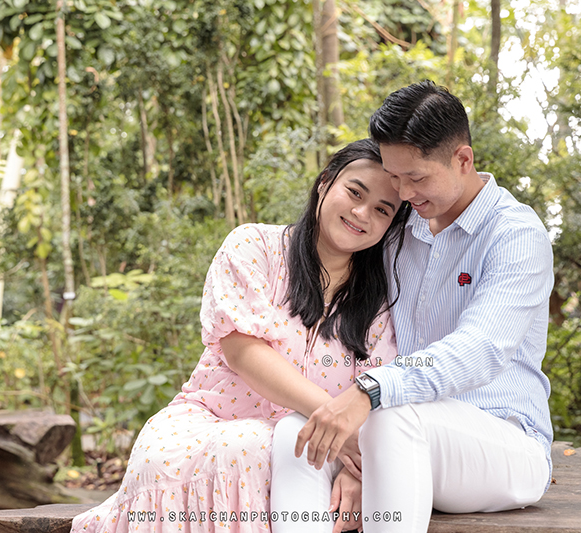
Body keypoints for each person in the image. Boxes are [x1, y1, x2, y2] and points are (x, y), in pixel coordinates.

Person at [69, 139, 412, 533]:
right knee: (199, 452)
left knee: (271, 448)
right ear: (324, 183)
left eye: (382, 210)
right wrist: (337, 422)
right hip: (211, 420)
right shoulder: (254, 246)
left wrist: (358, 471)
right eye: (355, 192)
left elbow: (379, 390)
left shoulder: (382, 301)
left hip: (314, 446)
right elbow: (241, 350)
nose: (361, 213)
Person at [273, 80, 554, 533]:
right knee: (297, 432)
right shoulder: (402, 233)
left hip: (504, 446)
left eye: (416, 177)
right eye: (395, 176)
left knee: (393, 419)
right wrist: (361, 461)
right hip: (401, 436)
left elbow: (479, 349)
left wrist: (369, 393)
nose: (402, 193)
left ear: (463, 160)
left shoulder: (515, 235)